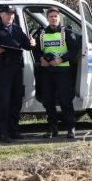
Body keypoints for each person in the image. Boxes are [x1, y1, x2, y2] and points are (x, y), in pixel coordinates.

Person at [0, 5, 36, 143]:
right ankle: (2, 132)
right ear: (1, 14)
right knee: (3, 102)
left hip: (16, 69)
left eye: (12, 14)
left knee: (16, 101)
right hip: (1, 70)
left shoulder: (17, 29)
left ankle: (14, 130)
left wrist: (32, 43)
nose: (10, 16)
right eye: (7, 14)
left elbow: (26, 45)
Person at [36, 7, 80, 139]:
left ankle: (70, 128)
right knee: (48, 101)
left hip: (62, 70)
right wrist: (41, 59)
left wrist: (61, 59)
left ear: (59, 18)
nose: (53, 18)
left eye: (56, 16)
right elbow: (36, 50)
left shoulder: (66, 32)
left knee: (65, 100)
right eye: (51, 16)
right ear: (47, 18)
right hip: (47, 71)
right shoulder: (42, 33)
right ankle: (52, 128)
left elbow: (74, 50)